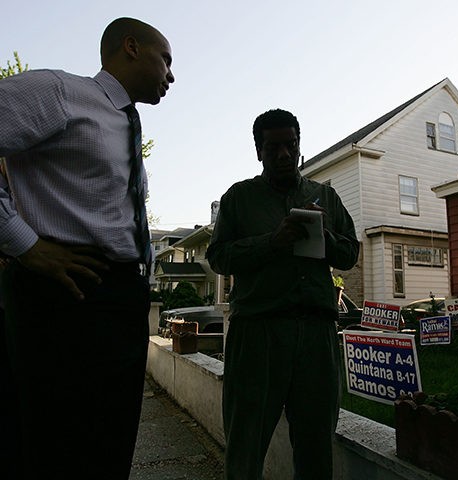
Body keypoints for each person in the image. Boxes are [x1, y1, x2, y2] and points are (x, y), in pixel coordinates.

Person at [0, 17, 174, 479]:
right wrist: (24, 243)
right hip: (65, 296)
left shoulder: (124, 125)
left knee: (110, 446)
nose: (171, 76)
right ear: (131, 47)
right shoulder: (59, 92)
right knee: (57, 448)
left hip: (121, 302)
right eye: (166, 59)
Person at [207, 108, 359, 479]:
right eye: (273, 147)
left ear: (299, 145)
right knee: (246, 447)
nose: (284, 155)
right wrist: (271, 242)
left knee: (315, 448)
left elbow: (350, 253)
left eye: (290, 145)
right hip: (258, 335)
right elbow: (218, 257)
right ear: (258, 151)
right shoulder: (239, 199)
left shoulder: (325, 196)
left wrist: (324, 236)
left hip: (316, 337)